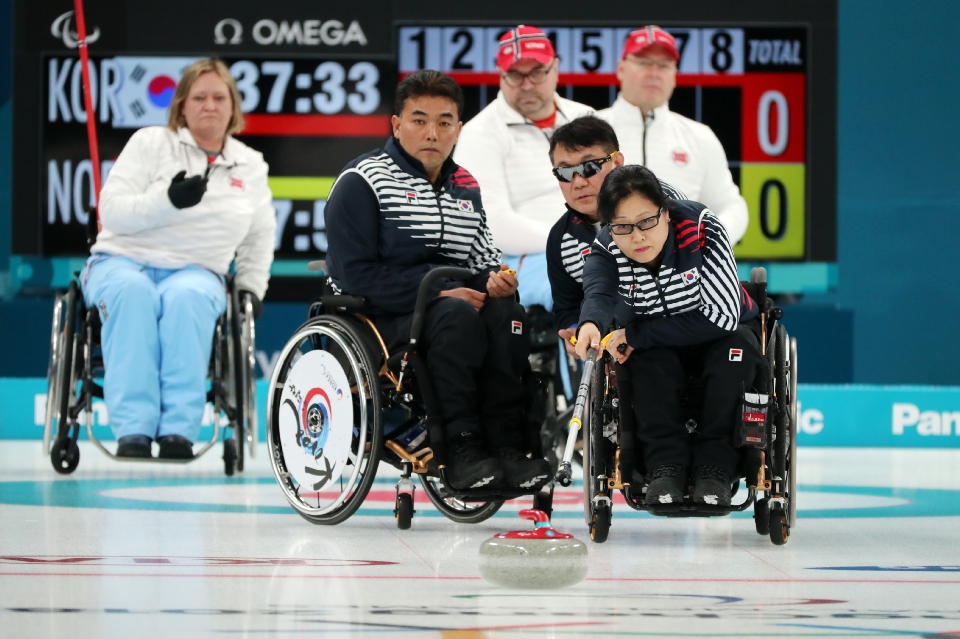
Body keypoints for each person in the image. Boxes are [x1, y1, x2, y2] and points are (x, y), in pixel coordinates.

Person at [325, 70, 551, 491]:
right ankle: (461, 448)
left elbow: (485, 261)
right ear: (396, 124)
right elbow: (352, 275)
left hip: (454, 304)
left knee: (509, 314)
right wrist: (438, 293)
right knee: (455, 315)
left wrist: (497, 283)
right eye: (419, 119)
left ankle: (506, 447)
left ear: (458, 129)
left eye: (444, 122)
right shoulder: (362, 181)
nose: (432, 132)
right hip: (381, 318)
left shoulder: (467, 186)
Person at [82, 58, 276, 459]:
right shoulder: (150, 142)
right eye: (199, 97)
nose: (209, 105)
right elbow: (111, 211)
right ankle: (132, 430)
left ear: (233, 106)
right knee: (133, 293)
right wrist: (166, 201)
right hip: (122, 260)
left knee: (186, 300)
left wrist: (252, 289)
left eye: (219, 97)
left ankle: (177, 432)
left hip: (198, 269)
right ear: (182, 106)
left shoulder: (251, 165)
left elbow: (259, 238)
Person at [575, 165, 760, 506]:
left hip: (720, 334)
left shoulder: (703, 227)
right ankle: (665, 466)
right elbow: (598, 294)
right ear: (609, 227)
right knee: (640, 359)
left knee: (738, 350)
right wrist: (590, 325)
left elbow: (722, 318)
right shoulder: (606, 247)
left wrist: (635, 333)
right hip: (657, 340)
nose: (638, 236)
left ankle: (715, 468)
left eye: (647, 221)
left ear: (667, 213)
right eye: (623, 227)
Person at [453, 25, 594, 308]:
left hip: (591, 247)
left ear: (555, 68)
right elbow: (493, 225)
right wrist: (573, 245)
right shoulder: (479, 132)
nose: (527, 84)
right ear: (500, 74)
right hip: (521, 258)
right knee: (583, 286)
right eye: (515, 75)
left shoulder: (585, 117)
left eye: (537, 72)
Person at [546, 115, 685, 351]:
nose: (578, 182)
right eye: (565, 173)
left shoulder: (664, 204)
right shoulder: (560, 239)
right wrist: (574, 330)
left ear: (618, 162)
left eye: (589, 167)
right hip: (609, 346)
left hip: (676, 329)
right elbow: (567, 307)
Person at [599, 26, 749, 244]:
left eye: (664, 65)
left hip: (683, 268)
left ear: (674, 75)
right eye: (644, 62)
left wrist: (705, 242)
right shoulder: (591, 131)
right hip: (604, 266)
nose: (654, 72)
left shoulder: (699, 138)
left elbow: (731, 205)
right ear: (620, 68)